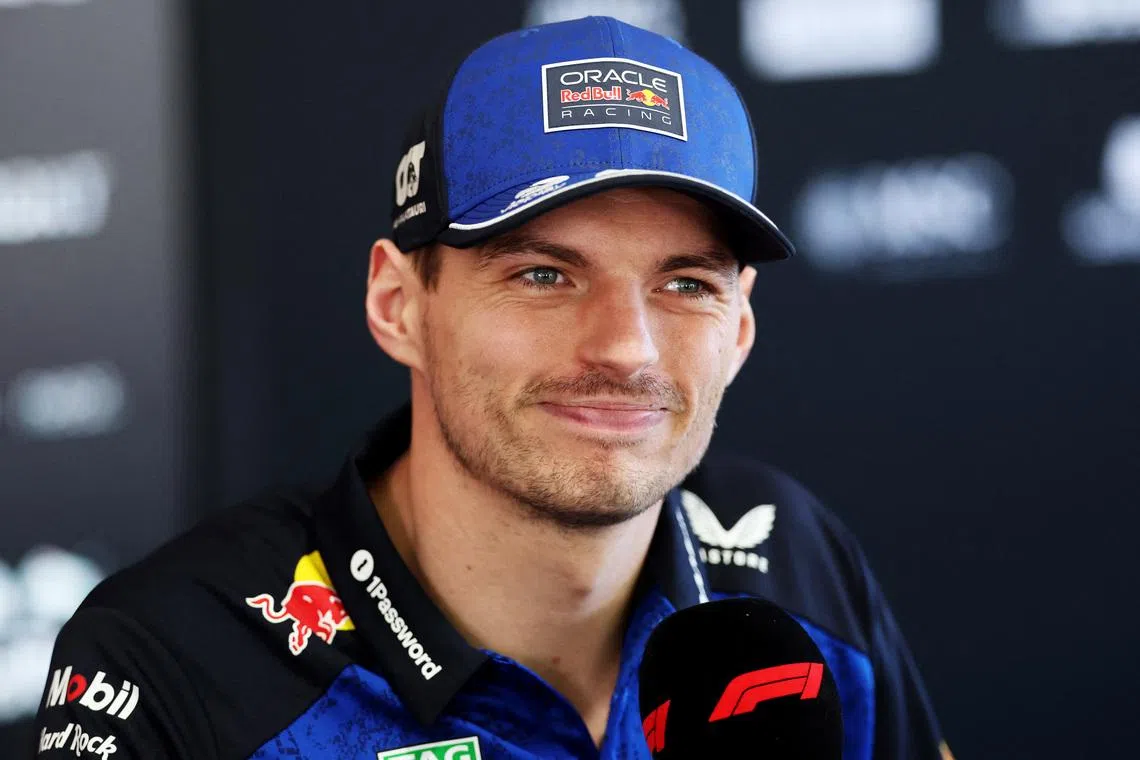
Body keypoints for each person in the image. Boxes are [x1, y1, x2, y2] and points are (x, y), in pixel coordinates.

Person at [31, 15, 951, 760]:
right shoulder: (177, 662)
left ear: (740, 328)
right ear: (399, 304)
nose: (627, 348)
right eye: (544, 275)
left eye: (685, 284)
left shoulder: (790, 554)